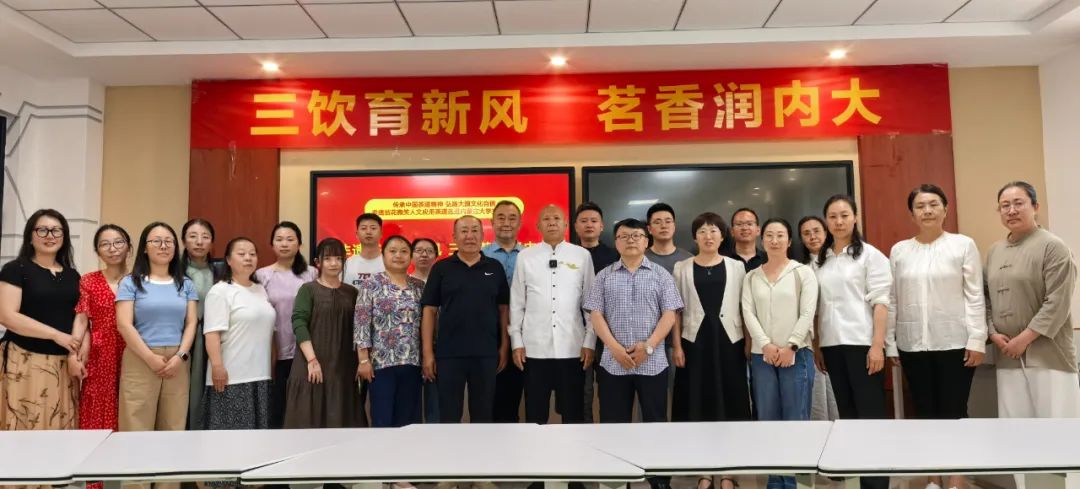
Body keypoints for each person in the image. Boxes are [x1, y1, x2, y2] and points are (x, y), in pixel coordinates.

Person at [886, 184, 987, 489]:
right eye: (920, 206)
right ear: (912, 214)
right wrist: (891, 342)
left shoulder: (963, 245)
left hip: (955, 342)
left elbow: (975, 296)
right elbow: (892, 299)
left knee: (955, 411)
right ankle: (933, 477)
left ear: (945, 209)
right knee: (925, 412)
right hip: (912, 343)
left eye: (933, 204)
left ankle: (956, 478)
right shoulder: (900, 251)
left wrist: (977, 339)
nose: (927, 210)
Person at [584, 218, 682, 489]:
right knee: (614, 425)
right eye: (624, 236)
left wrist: (648, 346)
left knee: (655, 423)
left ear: (646, 241)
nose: (631, 240)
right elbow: (596, 315)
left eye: (636, 236)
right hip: (613, 364)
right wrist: (614, 348)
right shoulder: (604, 275)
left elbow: (670, 314)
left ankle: (658, 480)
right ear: (616, 242)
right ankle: (617, 480)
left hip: (653, 362)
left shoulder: (661, 275)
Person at [813, 195, 891, 489]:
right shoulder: (820, 260)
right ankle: (858, 480)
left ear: (855, 217)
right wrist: (819, 345)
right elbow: (818, 308)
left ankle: (876, 484)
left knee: (871, 417)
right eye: (833, 216)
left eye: (844, 215)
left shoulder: (870, 255)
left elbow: (881, 302)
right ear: (826, 221)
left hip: (862, 344)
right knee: (848, 416)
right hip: (832, 346)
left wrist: (877, 345)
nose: (839, 221)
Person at [986, 182, 1079, 416]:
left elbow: (1057, 303)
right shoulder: (994, 251)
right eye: (1005, 206)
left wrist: (1024, 339)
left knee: (1056, 424)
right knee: (1015, 426)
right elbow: (985, 298)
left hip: (1049, 355)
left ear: (1035, 206)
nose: (1011, 210)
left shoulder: (1053, 247)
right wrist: (993, 333)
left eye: (1019, 203)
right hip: (1007, 355)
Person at [671, 212, 748, 489]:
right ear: (695, 237)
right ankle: (703, 471)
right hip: (694, 343)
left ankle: (728, 472)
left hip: (730, 342)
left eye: (714, 230)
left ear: (722, 235)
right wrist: (677, 345)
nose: (708, 236)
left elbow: (745, 306)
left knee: (731, 402)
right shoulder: (681, 267)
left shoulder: (737, 267)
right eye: (702, 231)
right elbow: (675, 311)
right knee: (698, 403)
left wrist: (749, 343)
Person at [742, 218, 818, 489]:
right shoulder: (752, 277)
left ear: (789, 240)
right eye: (770, 236)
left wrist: (791, 346)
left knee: (796, 420)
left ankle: (796, 483)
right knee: (768, 420)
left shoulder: (802, 273)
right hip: (762, 357)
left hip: (797, 356)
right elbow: (748, 312)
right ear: (762, 240)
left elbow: (808, 312)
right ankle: (775, 482)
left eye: (780, 235)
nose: (774, 240)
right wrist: (765, 345)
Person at [510, 205, 595, 425]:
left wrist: (590, 341)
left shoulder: (582, 255)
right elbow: (517, 302)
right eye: (546, 219)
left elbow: (590, 302)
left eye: (556, 218)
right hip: (534, 349)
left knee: (573, 415)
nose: (551, 222)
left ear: (566, 224)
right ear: (538, 226)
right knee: (535, 415)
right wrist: (516, 342)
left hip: (573, 348)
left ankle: (573, 448)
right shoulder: (525, 257)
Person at [421, 215, 510, 424]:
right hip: (449, 354)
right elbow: (429, 310)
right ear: (454, 236)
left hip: (486, 353)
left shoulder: (494, 267)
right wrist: (427, 353)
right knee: (449, 415)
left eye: (474, 230)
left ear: (483, 235)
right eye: (464, 231)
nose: (469, 236)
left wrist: (504, 346)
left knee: (483, 415)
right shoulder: (441, 268)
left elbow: (504, 309)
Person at [0, 209, 82, 431]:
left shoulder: (73, 275)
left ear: (64, 237)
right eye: (42, 230)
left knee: (60, 429)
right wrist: (56, 335)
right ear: (30, 236)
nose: (50, 236)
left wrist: (75, 352)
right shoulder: (15, 269)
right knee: (23, 427)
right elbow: (7, 316)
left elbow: (80, 317)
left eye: (56, 230)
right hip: (23, 359)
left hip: (63, 365)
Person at [116, 222, 199, 437]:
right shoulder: (130, 282)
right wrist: (149, 358)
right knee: (136, 425)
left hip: (177, 361)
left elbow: (191, 323)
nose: (163, 246)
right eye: (157, 241)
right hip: (140, 357)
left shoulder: (186, 284)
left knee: (173, 425)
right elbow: (124, 324)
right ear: (145, 247)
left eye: (169, 241)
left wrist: (181, 356)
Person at [283, 238, 366, 429]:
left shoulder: (352, 293)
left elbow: (360, 329)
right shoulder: (308, 290)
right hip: (311, 364)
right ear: (317, 262)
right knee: (309, 420)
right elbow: (299, 323)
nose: (334, 263)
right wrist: (312, 360)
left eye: (338, 258)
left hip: (343, 367)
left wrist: (362, 360)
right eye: (327, 258)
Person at [203, 237, 276, 432]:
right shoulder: (220, 291)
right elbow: (211, 334)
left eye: (252, 254)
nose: (248, 258)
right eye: (241, 254)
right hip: (231, 378)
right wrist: (217, 366)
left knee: (258, 441)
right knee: (232, 440)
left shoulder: (260, 290)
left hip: (260, 376)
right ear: (228, 260)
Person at [355, 235, 426, 428]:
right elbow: (361, 323)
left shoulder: (419, 286)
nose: (398, 256)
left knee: (409, 422)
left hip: (412, 363)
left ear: (410, 256)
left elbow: (426, 324)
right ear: (383, 255)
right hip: (381, 364)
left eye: (404, 251)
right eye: (392, 251)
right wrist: (363, 360)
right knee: (382, 419)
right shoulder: (371, 284)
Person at [255, 222, 316, 428]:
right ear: (272, 244)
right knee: (278, 405)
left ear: (300, 244)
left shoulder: (311, 274)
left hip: (306, 351)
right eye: (279, 239)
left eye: (290, 239)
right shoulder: (262, 275)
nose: (284, 244)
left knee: (304, 406)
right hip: (275, 350)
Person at [76, 224, 132, 432]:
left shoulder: (139, 281)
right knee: (96, 406)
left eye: (118, 242)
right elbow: (81, 320)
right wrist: (74, 352)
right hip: (99, 354)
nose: (112, 248)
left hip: (133, 350)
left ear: (129, 247)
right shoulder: (88, 280)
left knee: (131, 404)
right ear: (97, 250)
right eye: (105, 244)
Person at [573, 201, 619, 424]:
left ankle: (608, 434)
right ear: (575, 227)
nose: (589, 225)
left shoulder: (614, 256)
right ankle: (583, 433)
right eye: (584, 221)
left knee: (609, 389)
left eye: (593, 221)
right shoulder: (568, 255)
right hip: (576, 331)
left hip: (610, 333)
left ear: (602, 226)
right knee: (581, 390)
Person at [483, 200, 525, 424]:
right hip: (490, 333)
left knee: (515, 395)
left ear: (520, 222)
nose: (506, 222)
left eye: (512, 218)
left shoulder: (530, 256)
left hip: (524, 333)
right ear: (492, 222)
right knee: (489, 396)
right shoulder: (480, 256)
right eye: (501, 217)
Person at [180, 218, 222, 430]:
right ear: (183, 241)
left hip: (214, 337)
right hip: (184, 337)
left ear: (212, 242)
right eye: (193, 236)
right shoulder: (175, 272)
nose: (199, 242)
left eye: (205, 237)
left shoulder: (221, 271)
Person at [797, 216, 839, 422]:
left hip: (841, 333)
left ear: (826, 232)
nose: (812, 237)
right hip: (813, 338)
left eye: (816, 231)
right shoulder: (800, 268)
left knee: (839, 392)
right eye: (806, 233)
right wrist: (816, 343)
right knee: (818, 394)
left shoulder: (838, 261)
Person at [410, 237, 440, 424]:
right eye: (419, 250)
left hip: (436, 348)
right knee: (410, 404)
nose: (424, 255)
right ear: (411, 255)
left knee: (434, 404)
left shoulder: (442, 281)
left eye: (429, 251)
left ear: (436, 256)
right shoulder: (404, 282)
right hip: (409, 349)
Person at [644, 202, 693, 273]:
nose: (663, 226)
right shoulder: (641, 259)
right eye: (657, 222)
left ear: (674, 226)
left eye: (668, 221)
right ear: (649, 229)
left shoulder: (689, 259)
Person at [344, 213, 385, 287]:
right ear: (357, 234)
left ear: (381, 233)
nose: (368, 232)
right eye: (363, 228)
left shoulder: (390, 263)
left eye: (373, 228)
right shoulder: (347, 264)